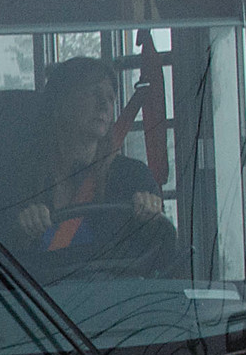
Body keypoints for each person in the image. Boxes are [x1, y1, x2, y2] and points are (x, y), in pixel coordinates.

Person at [13, 57, 165, 256]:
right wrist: (22, 231)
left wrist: (151, 220)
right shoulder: (22, 181)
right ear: (60, 104)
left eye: (110, 99)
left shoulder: (133, 178)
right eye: (93, 94)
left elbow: (163, 259)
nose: (104, 105)